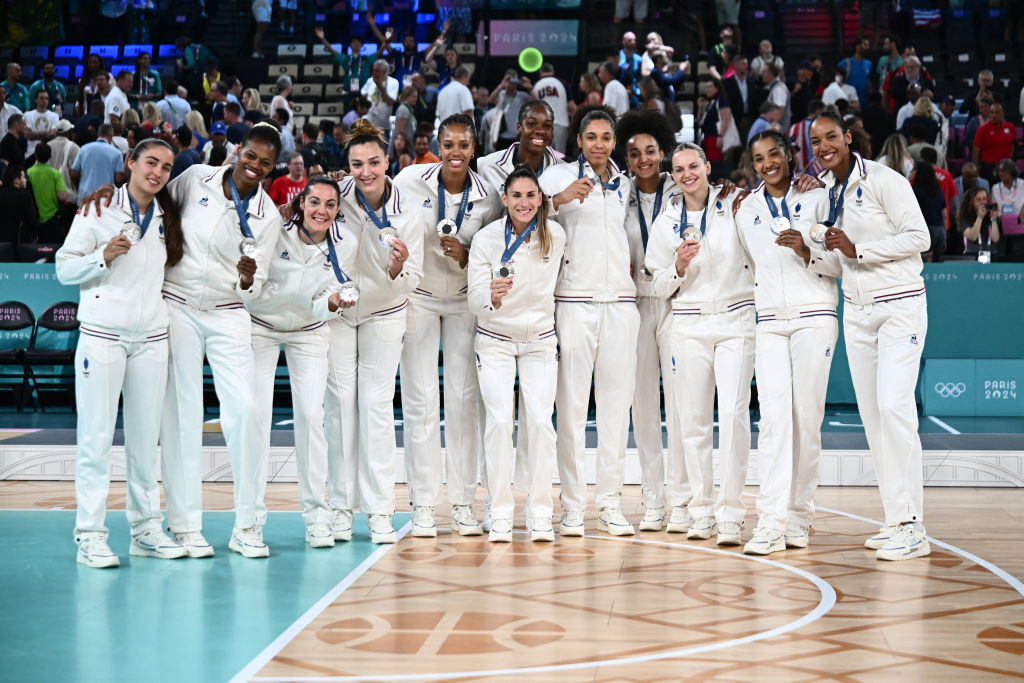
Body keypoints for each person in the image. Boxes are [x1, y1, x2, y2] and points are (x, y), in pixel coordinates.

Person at [82, 122, 286, 558]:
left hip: (229, 311)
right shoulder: (196, 179)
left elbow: (259, 283)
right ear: (237, 150)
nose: (254, 166)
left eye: (265, 162)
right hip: (178, 305)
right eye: (250, 155)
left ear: (273, 167)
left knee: (247, 411)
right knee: (181, 416)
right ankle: (186, 526)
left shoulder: (268, 217)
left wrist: (249, 282)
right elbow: (147, 198)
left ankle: (248, 524)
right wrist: (109, 190)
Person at [800, 111, 932, 561]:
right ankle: (896, 520)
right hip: (856, 313)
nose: (823, 147)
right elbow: (841, 264)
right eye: (816, 141)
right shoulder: (829, 193)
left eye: (831, 137)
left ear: (848, 137)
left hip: (899, 307)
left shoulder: (883, 179)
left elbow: (921, 237)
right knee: (874, 420)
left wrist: (861, 249)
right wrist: (811, 252)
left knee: (896, 408)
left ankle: (915, 526)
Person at [56, 139, 186, 568]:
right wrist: (102, 256)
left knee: (146, 441)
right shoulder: (97, 209)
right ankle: (90, 535)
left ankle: (145, 528)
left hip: (151, 339)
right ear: (130, 162)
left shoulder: (168, 216)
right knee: (95, 439)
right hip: (102, 336)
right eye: (151, 162)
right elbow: (63, 267)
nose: (158, 172)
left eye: (166, 167)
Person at [393, 114, 500, 537]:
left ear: (474, 149)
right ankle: (422, 503)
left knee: (462, 402)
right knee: (419, 402)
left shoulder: (488, 196)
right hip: (418, 297)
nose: (455, 152)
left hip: (462, 302)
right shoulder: (409, 179)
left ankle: (462, 503)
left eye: (463, 145)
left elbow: (492, 254)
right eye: (448, 144)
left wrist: (465, 255)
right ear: (437, 145)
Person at [643, 142, 752, 546]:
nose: (687, 173)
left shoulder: (737, 203)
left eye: (693, 165)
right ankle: (701, 511)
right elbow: (655, 284)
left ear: (708, 167)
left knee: (735, 417)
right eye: (679, 168)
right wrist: (677, 266)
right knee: (691, 423)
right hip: (686, 323)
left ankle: (730, 513)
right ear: (672, 175)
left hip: (735, 320)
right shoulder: (665, 221)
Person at [734, 131, 837, 554]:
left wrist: (806, 253)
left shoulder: (819, 197)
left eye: (773, 154)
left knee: (805, 419)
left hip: (815, 315)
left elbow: (840, 260)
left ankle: (800, 514)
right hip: (771, 321)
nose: (767, 163)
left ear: (789, 154)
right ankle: (770, 521)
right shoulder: (746, 208)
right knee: (774, 420)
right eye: (758, 159)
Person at [539, 108, 639, 536]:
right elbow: (526, 220)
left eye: (606, 137)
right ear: (578, 141)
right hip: (574, 303)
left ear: (614, 142)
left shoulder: (625, 184)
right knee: (573, 411)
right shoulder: (555, 178)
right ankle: (574, 506)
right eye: (591, 137)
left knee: (617, 412)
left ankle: (611, 504)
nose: (598, 144)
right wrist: (560, 201)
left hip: (620, 304)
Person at [324, 119, 422, 544]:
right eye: (357, 164)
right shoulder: (336, 198)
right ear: (347, 165)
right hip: (342, 313)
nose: (365, 172)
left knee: (377, 407)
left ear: (388, 162)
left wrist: (398, 268)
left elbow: (414, 277)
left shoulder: (408, 208)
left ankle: (381, 510)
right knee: (340, 407)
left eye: (374, 163)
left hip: (386, 312)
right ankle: (341, 508)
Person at [247, 176, 359, 547]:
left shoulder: (348, 244)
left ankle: (316, 518)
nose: (321, 211)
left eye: (329, 204)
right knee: (256, 417)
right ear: (300, 204)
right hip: (260, 327)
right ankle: (249, 521)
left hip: (310, 330)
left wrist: (331, 305)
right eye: (314, 202)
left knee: (311, 419)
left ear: (337, 210)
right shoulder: (275, 231)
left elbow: (327, 298)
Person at [468, 165, 566, 541]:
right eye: (516, 196)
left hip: (540, 341)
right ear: (504, 199)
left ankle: (540, 510)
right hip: (494, 339)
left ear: (540, 199)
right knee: (498, 422)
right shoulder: (486, 239)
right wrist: (489, 297)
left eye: (531, 195)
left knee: (541, 423)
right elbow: (474, 297)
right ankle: (500, 507)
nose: (524, 202)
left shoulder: (555, 236)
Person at [616, 110, 691, 533]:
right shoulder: (617, 194)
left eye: (650, 151)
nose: (643, 159)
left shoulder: (682, 186)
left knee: (681, 404)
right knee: (643, 406)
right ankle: (653, 500)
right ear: (625, 158)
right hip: (635, 304)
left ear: (663, 151)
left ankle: (682, 501)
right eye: (634, 153)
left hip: (677, 299)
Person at [478, 100, 562, 193]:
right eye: (532, 124)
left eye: (547, 126)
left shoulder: (564, 171)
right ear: (519, 127)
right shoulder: (485, 166)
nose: (540, 131)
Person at [26, 142, 69, 241]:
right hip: (52, 220)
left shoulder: (28, 173)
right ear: (50, 157)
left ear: (35, 156)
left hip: (34, 220)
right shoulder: (55, 174)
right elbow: (62, 197)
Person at [71, 124, 125, 200]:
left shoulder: (84, 149)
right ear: (111, 136)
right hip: (105, 198)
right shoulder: (117, 153)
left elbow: (74, 174)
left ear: (98, 135)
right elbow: (119, 179)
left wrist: (81, 184)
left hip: (84, 196)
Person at [532, 64, 570, 152]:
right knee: (559, 156)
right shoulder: (563, 83)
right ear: (553, 72)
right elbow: (571, 106)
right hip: (561, 123)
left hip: (542, 124)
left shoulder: (536, 85)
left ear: (540, 73)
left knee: (543, 154)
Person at [0, 164, 38, 252]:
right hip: (21, 240)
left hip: (2, 242)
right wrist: (34, 235)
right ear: (17, 180)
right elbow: (31, 219)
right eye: (24, 177)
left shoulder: (1, 194)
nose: (25, 180)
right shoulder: (25, 195)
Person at [972, 104, 1015, 182]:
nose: (994, 115)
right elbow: (975, 153)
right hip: (989, 169)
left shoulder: (1010, 127)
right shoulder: (982, 130)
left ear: (1002, 113)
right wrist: (977, 172)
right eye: (991, 112)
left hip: (1007, 167)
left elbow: (1013, 143)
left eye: (997, 112)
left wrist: (1010, 157)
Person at [698, 78, 734, 162]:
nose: (707, 89)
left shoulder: (721, 101)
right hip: (708, 140)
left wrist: (720, 136)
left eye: (710, 87)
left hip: (715, 140)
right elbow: (700, 123)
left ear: (717, 89)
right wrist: (700, 107)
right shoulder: (711, 103)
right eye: (706, 87)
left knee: (716, 166)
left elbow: (726, 119)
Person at [361, 60, 399, 141]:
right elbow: (363, 94)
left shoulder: (394, 82)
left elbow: (390, 101)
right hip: (368, 124)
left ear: (385, 72)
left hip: (382, 126)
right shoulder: (370, 80)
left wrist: (379, 85)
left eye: (377, 71)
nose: (374, 73)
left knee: (383, 151)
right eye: (373, 70)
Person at [958, 186, 1001, 257]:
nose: (982, 202)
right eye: (978, 200)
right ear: (971, 202)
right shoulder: (965, 217)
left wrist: (993, 219)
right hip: (972, 255)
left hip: (991, 254)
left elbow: (995, 238)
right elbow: (973, 236)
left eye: (984, 199)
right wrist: (980, 217)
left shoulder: (990, 215)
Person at [839, 38, 872, 110]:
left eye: (868, 45)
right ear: (857, 46)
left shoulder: (869, 63)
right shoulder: (845, 63)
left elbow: (868, 80)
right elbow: (837, 81)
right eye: (865, 44)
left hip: (864, 104)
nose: (867, 47)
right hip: (850, 104)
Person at [24, 89, 58, 159]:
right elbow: (27, 135)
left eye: (46, 98)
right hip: (31, 153)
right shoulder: (27, 115)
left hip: (48, 152)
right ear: (36, 100)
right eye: (41, 98)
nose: (44, 100)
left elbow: (52, 134)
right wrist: (45, 133)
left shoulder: (54, 116)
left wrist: (34, 134)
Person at [762, 62, 792, 130]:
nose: (762, 74)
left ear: (771, 73)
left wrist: (771, 128)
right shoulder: (775, 87)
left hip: (779, 131)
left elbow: (781, 110)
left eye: (764, 72)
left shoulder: (778, 89)